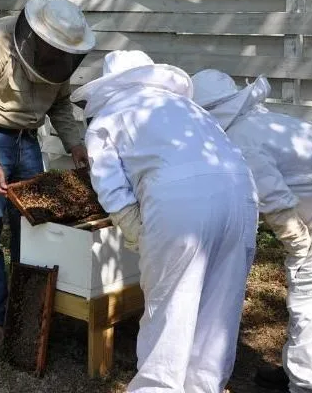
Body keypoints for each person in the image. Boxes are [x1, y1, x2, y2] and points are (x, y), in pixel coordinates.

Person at [70, 50, 258, 392]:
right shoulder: (188, 108)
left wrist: (137, 232)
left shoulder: (109, 116)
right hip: (241, 195)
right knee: (218, 311)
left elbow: (112, 190)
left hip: (181, 207)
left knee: (170, 311)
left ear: (108, 87)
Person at [0, 0, 95, 347]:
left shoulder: (61, 57)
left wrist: (75, 143)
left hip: (27, 138)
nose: (58, 60)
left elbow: (61, 104)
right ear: (36, 39)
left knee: (34, 227)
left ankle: (28, 307)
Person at [192, 69, 312, 393]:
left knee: (307, 298)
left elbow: (274, 200)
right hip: (310, 213)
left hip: (310, 221)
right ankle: (297, 370)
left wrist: (297, 243)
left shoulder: (241, 138)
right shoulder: (261, 121)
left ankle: (305, 384)